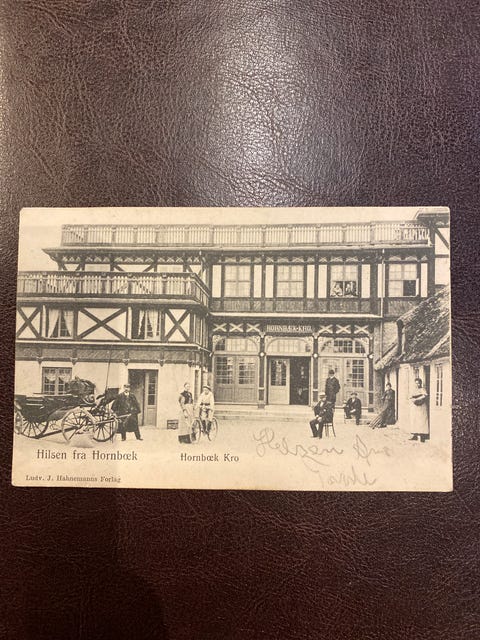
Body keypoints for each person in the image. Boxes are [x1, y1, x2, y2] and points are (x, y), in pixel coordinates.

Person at [409, 378, 429, 442]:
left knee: (422, 421)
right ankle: (415, 435)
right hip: (415, 407)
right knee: (415, 420)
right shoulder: (414, 390)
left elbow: (425, 396)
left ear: (420, 383)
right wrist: (413, 400)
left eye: (418, 383)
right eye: (416, 383)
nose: (417, 384)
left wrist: (417, 399)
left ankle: (423, 436)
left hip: (422, 406)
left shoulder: (422, 389)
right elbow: (410, 397)